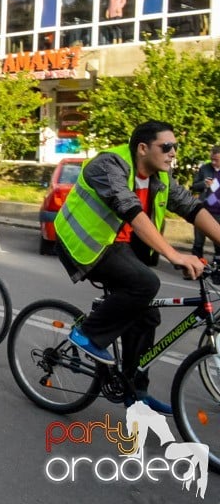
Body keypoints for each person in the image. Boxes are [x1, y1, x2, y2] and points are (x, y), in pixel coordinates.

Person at [56, 120, 220, 414]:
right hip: (86, 246)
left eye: (175, 147)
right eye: (166, 147)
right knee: (145, 284)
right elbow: (131, 211)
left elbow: (192, 208)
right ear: (143, 148)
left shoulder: (161, 177)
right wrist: (176, 256)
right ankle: (88, 333)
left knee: (147, 317)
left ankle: (135, 391)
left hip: (122, 248)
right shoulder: (110, 165)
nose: (173, 153)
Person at [191, 145, 220, 260]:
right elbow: (194, 186)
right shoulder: (204, 168)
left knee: (218, 243)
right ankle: (195, 268)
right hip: (203, 210)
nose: (213, 162)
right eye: (212, 159)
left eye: (216, 160)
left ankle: (216, 271)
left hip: (218, 213)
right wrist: (204, 184)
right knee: (198, 242)